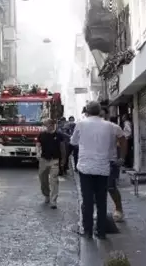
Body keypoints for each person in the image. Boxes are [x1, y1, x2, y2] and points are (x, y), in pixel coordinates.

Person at [71, 101, 127, 239]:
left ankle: (88, 230)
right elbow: (123, 138)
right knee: (102, 201)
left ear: (87, 112)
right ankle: (101, 232)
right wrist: (122, 157)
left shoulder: (81, 124)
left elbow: (73, 142)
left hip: (86, 168)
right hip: (103, 167)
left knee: (87, 200)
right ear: (100, 111)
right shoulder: (111, 126)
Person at [100, 107, 125, 222]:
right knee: (98, 188)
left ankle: (119, 209)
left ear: (107, 115)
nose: (101, 118)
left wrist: (122, 158)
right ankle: (100, 212)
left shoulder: (115, 128)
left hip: (111, 161)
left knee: (111, 186)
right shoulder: (92, 128)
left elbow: (123, 142)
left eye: (103, 115)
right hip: (97, 161)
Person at [36, 118, 66, 209]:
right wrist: (37, 152)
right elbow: (38, 145)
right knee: (43, 179)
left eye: (47, 125)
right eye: (45, 125)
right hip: (44, 160)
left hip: (55, 160)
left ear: (52, 125)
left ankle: (53, 201)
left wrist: (63, 159)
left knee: (54, 180)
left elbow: (62, 148)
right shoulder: (42, 135)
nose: (46, 127)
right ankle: (46, 195)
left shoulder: (59, 135)